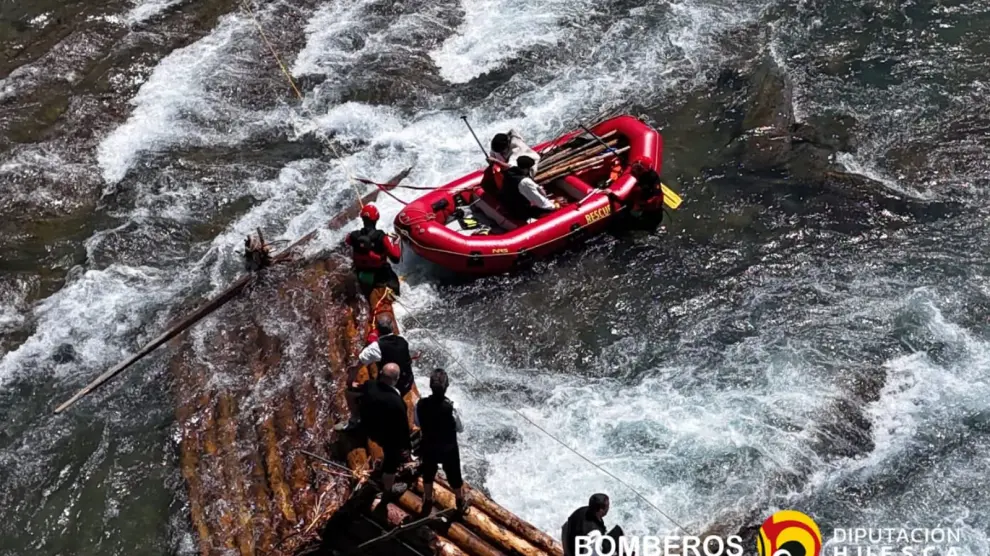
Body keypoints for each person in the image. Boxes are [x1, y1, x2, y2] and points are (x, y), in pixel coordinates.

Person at [335, 313, 414, 432]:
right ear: (392, 327)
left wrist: (350, 382)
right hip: (407, 383)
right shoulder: (403, 340)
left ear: (377, 329)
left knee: (350, 392)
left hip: (392, 389)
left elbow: (356, 366)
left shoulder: (376, 347)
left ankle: (354, 421)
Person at [415, 369, 468, 516]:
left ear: (430, 386)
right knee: (454, 475)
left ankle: (428, 499)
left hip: (428, 445)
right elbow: (460, 428)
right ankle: (460, 501)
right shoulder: (452, 407)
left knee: (428, 472)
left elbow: (417, 423)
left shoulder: (420, 403)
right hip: (448, 448)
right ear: (447, 386)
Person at [357, 363, 411, 504]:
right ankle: (387, 491)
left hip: (369, 429)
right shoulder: (397, 402)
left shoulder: (369, 385)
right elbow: (403, 428)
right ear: (396, 379)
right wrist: (406, 446)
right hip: (387, 436)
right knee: (391, 465)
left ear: (380, 373)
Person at [345, 203, 401, 296]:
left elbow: (347, 240)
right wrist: (396, 242)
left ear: (362, 219)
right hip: (379, 274)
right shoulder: (381, 237)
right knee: (394, 284)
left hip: (361, 272)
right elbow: (396, 259)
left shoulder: (353, 236)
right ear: (376, 219)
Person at [562, 494, 627, 556]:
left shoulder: (580, 510)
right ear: (600, 510)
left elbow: (565, 526)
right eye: (607, 506)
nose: (609, 508)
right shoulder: (595, 533)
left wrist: (567, 552)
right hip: (585, 551)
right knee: (619, 533)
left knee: (617, 531)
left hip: (576, 548)